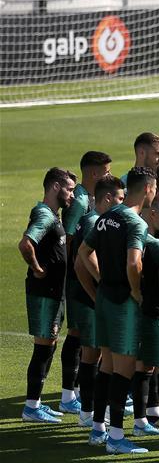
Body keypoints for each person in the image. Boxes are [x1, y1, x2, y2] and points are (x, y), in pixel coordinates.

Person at [78, 165, 156, 454]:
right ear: (148, 188)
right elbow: (134, 263)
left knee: (107, 366)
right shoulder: (135, 223)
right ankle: (116, 437)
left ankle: (98, 429)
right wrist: (135, 291)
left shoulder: (103, 219)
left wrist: (101, 279)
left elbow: (84, 253)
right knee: (124, 370)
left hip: (104, 299)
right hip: (123, 303)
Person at [19, 168, 76, 423]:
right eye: (70, 189)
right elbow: (26, 243)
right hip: (45, 293)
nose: (72, 196)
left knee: (49, 346)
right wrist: (37, 268)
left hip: (53, 293)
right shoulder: (45, 215)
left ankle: (37, 403)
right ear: (55, 187)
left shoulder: (53, 215)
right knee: (43, 348)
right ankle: (31, 407)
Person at [59, 151, 111, 416]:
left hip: (80, 276)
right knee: (80, 335)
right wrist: (75, 273)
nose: (109, 175)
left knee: (79, 335)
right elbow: (68, 239)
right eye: (106, 171)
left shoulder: (87, 198)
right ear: (93, 173)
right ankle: (71, 393)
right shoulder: (80, 201)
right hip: (77, 278)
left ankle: (75, 391)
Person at [73, 176, 125, 427]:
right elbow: (80, 264)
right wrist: (99, 288)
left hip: (93, 299)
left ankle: (90, 411)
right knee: (96, 356)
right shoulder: (99, 222)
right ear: (107, 198)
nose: (122, 203)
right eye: (119, 198)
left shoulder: (90, 220)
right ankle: (89, 411)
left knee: (95, 356)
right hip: (96, 300)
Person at [133, 199, 159, 437]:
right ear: (151, 215)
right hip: (158, 313)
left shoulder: (137, 242)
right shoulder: (157, 245)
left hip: (141, 311)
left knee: (143, 366)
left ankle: (141, 421)